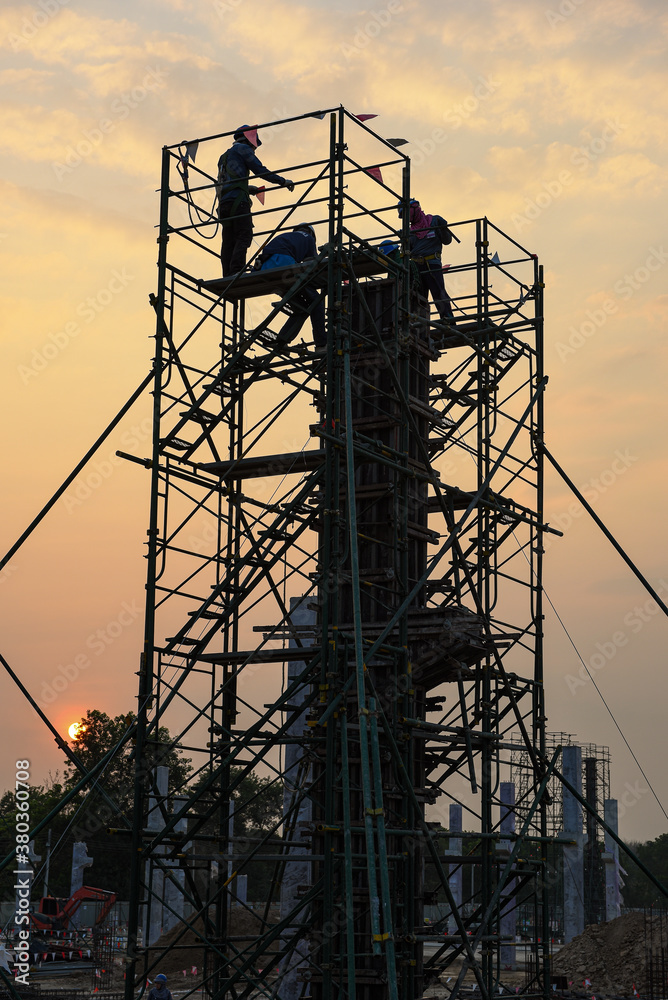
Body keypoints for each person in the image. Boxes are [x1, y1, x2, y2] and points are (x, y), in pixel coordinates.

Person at [217, 125, 295, 277]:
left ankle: (227, 274)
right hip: (238, 202)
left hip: (224, 204)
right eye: (254, 146)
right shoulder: (243, 150)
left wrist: (248, 188)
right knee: (244, 235)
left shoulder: (224, 156)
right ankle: (236, 271)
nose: (254, 150)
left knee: (228, 240)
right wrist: (282, 181)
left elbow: (227, 182)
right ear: (249, 141)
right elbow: (260, 170)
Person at [257, 224, 326, 349]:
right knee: (317, 302)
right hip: (285, 267)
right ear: (312, 234)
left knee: (301, 307)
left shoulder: (285, 236)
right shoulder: (308, 238)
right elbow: (314, 263)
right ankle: (322, 344)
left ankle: (281, 341)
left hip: (267, 270)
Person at [398, 198, 455, 323]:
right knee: (418, 298)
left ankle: (448, 320)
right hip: (416, 268)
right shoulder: (410, 231)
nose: (406, 218)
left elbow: (447, 241)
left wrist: (444, 228)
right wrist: (404, 239)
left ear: (414, 209)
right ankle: (420, 327)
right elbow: (407, 252)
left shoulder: (434, 221)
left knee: (438, 293)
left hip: (432, 264)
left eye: (406, 214)